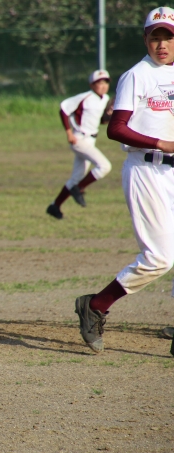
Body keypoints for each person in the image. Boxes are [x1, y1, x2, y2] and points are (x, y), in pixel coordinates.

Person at [74, 6, 174, 354]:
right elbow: (116, 128)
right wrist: (162, 143)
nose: (162, 44)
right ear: (145, 39)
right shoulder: (136, 75)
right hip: (146, 170)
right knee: (159, 258)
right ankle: (96, 305)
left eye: (168, 37)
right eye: (155, 37)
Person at [46, 70, 114, 220]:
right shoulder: (85, 97)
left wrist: (110, 117)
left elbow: (100, 120)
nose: (103, 85)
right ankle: (79, 188)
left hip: (90, 140)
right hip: (79, 139)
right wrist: (69, 133)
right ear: (91, 85)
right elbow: (63, 109)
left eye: (106, 82)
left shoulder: (105, 99)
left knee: (76, 177)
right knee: (104, 166)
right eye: (99, 82)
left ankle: (55, 206)